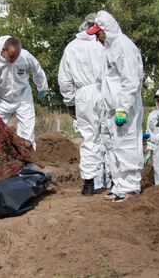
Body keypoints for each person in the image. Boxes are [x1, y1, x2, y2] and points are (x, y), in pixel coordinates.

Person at [87, 10, 144, 202]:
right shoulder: (109, 48)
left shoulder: (123, 47)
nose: (97, 38)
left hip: (124, 108)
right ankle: (119, 185)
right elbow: (108, 81)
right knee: (113, 147)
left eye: (98, 34)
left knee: (127, 145)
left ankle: (130, 187)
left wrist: (123, 108)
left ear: (107, 29)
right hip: (112, 108)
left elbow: (131, 81)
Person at [58, 14, 109, 196]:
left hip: (83, 95)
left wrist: (70, 102)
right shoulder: (104, 43)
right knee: (110, 135)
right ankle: (115, 179)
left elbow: (64, 80)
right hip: (105, 91)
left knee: (89, 138)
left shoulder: (71, 47)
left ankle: (88, 183)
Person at [0, 36, 48, 149]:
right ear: (3, 50)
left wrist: (43, 88)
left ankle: (28, 161)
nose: (13, 59)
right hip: (1, 100)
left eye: (16, 57)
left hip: (23, 98)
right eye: (11, 56)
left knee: (27, 131)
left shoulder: (25, 56)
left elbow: (38, 71)